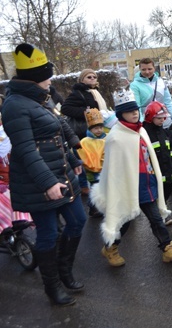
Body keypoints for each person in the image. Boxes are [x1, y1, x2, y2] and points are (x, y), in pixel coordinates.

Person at [3, 43, 86, 306]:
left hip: (62, 173)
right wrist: (48, 182)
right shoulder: (15, 105)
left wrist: (73, 158)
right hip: (38, 182)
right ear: (35, 77)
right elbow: (26, 149)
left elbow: (57, 133)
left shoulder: (41, 98)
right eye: (47, 75)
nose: (51, 80)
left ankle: (65, 271)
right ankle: (52, 286)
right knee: (49, 233)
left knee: (77, 221)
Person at [90, 90, 172, 267]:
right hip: (128, 187)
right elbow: (113, 169)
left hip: (146, 183)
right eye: (129, 111)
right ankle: (110, 248)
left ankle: (168, 249)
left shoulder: (141, 130)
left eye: (135, 109)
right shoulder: (115, 137)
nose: (135, 113)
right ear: (121, 114)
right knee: (125, 222)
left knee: (157, 219)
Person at [142, 101, 172, 225]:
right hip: (154, 170)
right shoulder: (145, 133)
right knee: (157, 192)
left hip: (167, 168)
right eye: (159, 118)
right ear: (151, 117)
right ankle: (160, 215)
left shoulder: (162, 131)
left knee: (169, 187)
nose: (163, 120)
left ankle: (162, 207)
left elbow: (170, 147)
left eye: (164, 118)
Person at [61, 69, 109, 140]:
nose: (92, 78)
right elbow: (65, 108)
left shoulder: (95, 92)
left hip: (98, 130)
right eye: (89, 77)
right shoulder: (78, 93)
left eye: (94, 77)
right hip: (85, 133)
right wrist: (86, 112)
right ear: (82, 80)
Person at [130, 58, 172, 128]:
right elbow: (137, 106)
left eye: (149, 69)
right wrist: (141, 123)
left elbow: (168, 102)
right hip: (147, 123)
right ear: (139, 69)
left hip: (164, 121)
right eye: (144, 69)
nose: (147, 72)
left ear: (154, 68)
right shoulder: (134, 85)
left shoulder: (161, 81)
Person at [76, 108, 106, 218]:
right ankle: (93, 207)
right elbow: (82, 154)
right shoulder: (85, 142)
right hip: (93, 173)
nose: (99, 130)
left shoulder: (106, 139)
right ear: (90, 129)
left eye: (100, 127)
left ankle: (103, 206)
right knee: (95, 190)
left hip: (105, 170)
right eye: (95, 128)